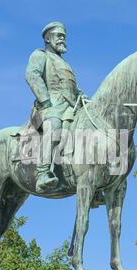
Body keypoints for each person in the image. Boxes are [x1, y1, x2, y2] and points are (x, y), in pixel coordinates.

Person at [25, 21, 88, 192]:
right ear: (47, 38)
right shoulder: (40, 55)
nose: (62, 39)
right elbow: (32, 76)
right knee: (54, 126)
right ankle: (42, 173)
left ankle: (91, 182)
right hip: (50, 106)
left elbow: (71, 88)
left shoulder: (65, 64)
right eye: (59, 36)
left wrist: (81, 96)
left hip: (69, 106)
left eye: (64, 36)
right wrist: (46, 102)